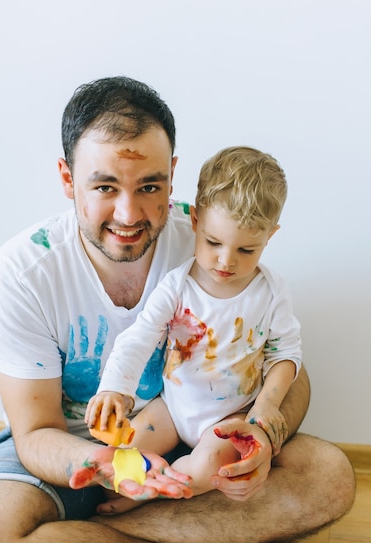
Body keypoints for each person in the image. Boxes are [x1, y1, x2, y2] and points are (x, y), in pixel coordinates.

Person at [0, 76, 355, 543]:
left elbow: (288, 370)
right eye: (103, 187)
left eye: (149, 186)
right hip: (77, 453)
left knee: (328, 477)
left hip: (195, 449)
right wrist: (113, 467)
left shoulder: (213, 238)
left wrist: (265, 433)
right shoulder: (24, 273)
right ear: (66, 178)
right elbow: (36, 435)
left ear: (173, 177)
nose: (129, 214)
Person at [83, 146, 302, 505]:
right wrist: (115, 390)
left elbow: (287, 354)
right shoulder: (176, 286)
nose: (226, 261)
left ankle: (156, 492)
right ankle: (136, 486)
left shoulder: (271, 291)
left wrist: (266, 405)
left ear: (270, 237)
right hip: (172, 407)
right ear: (196, 221)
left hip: (231, 416)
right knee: (127, 449)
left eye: (247, 250)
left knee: (208, 468)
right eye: (214, 242)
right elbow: (139, 338)